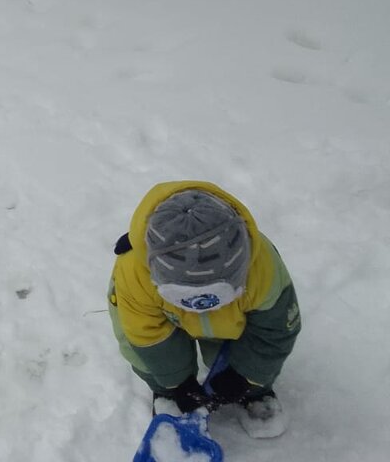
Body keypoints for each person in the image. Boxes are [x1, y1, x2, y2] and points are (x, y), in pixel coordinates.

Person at [108, 181, 300, 438]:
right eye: (186, 299)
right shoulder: (135, 274)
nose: (198, 309)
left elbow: (274, 332)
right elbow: (149, 335)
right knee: (142, 351)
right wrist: (178, 382)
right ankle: (166, 392)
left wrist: (245, 375)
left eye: (214, 298)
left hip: (233, 314)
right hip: (157, 309)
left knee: (244, 351)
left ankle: (255, 390)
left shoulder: (262, 270)